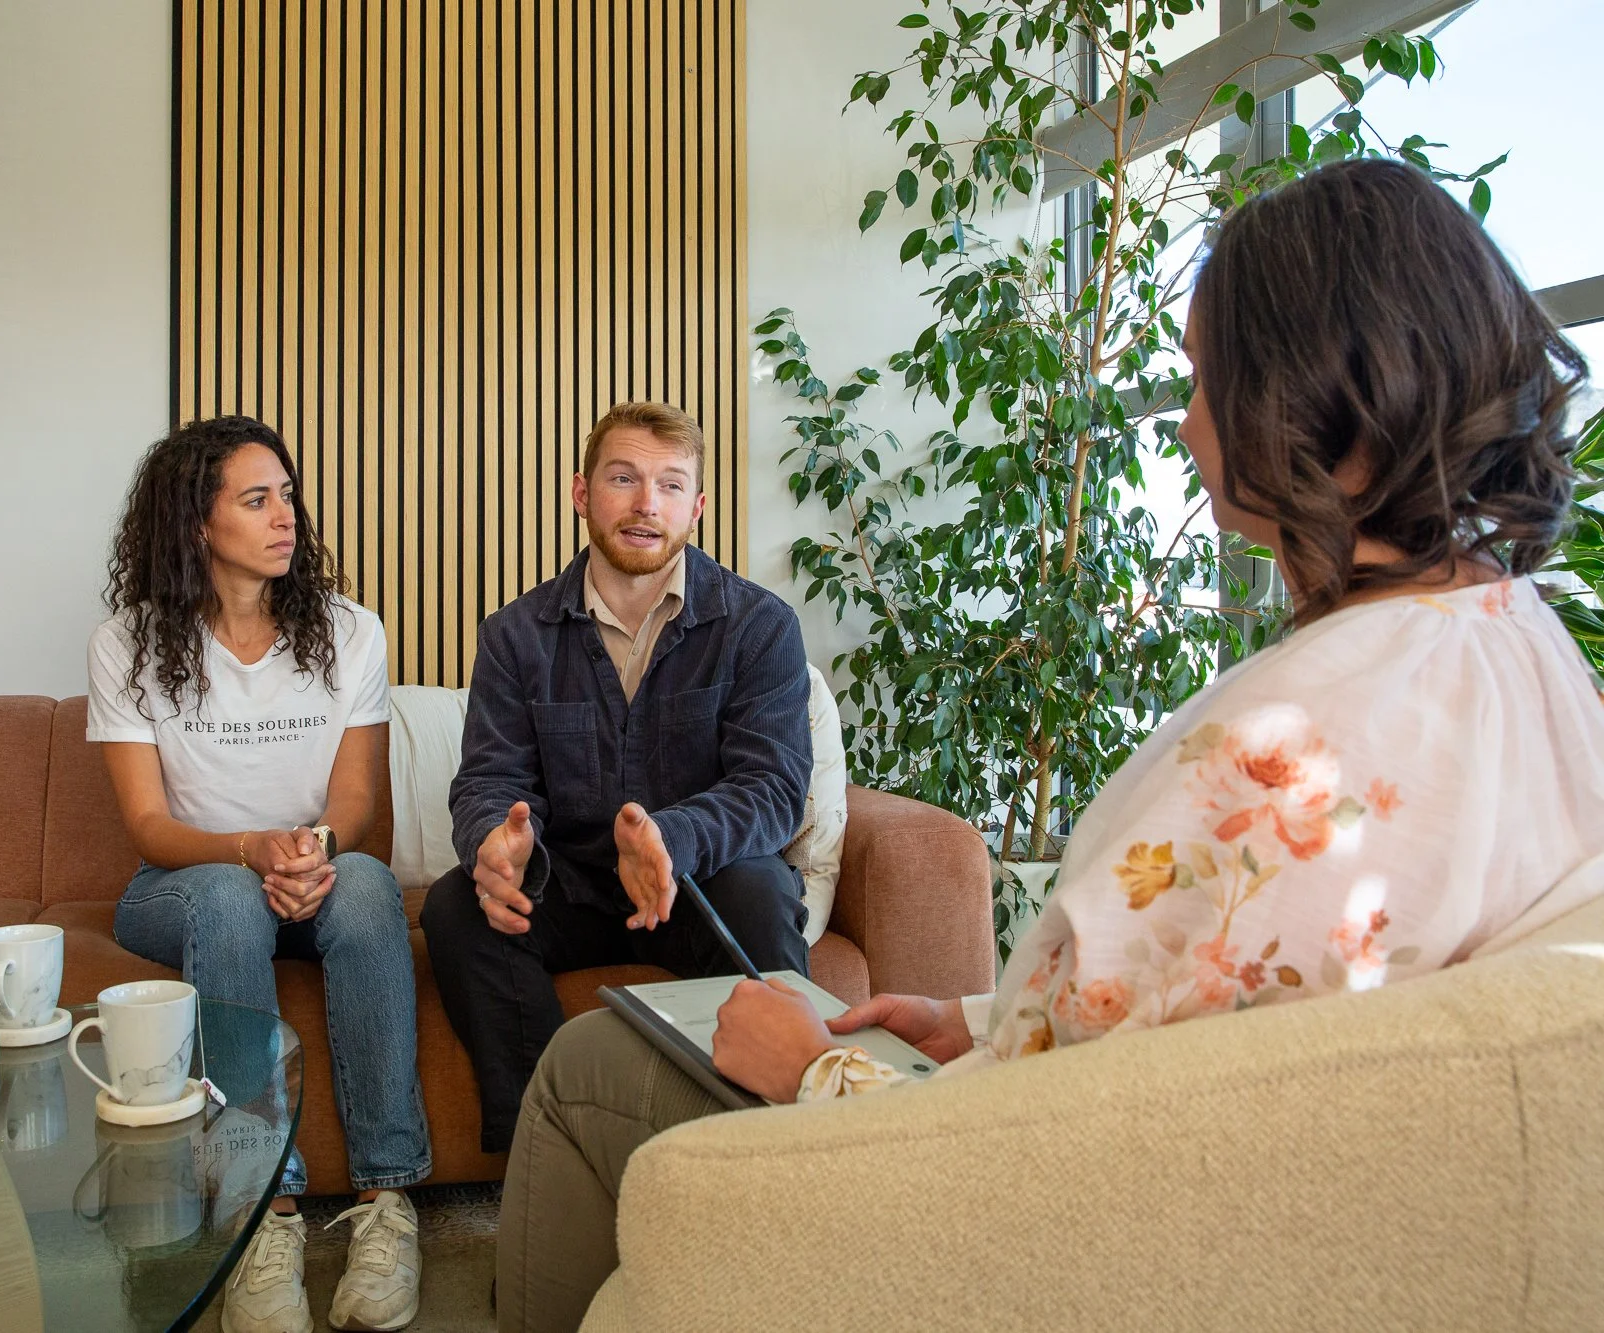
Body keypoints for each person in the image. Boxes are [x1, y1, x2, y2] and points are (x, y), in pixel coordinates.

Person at [492, 159, 1604, 1333]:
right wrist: (977, 1017)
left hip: (1006, 1202)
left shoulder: (1274, 755)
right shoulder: (1525, 649)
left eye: (1201, 380)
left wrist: (814, 1068)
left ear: (1327, 408)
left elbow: (1056, 1158)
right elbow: (1196, 1025)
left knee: (586, 1069)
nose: (1183, 421)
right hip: (1091, 1124)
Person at [88, 416, 430, 1333]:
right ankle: (260, 1214)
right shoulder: (127, 643)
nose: (287, 516)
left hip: (314, 871)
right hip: (186, 887)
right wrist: (251, 850)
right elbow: (149, 826)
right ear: (197, 523)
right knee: (231, 897)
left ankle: (388, 1200)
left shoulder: (351, 631)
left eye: (287, 494)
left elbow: (356, 800)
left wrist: (313, 848)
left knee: (367, 884)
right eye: (256, 499)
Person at [420, 400, 816, 1155]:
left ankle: (774, 1147)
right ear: (582, 493)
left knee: (762, 888)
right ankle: (549, 1149)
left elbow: (772, 789)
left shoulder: (759, 626)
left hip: (697, 880)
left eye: (670, 485)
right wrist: (494, 842)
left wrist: (670, 836)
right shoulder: (514, 635)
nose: (646, 505)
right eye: (624, 478)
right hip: (568, 883)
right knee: (458, 905)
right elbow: (489, 780)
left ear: (697, 507)